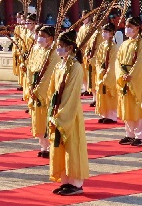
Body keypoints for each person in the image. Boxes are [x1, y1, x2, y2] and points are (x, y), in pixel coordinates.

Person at [47, 31, 89, 195]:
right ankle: (65, 180)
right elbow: (53, 90)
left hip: (69, 113)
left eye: (61, 47)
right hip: (58, 110)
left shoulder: (76, 67)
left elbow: (71, 94)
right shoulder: (60, 65)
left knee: (72, 146)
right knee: (60, 147)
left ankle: (76, 183)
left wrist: (61, 116)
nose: (58, 50)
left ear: (70, 48)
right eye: (58, 47)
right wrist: (52, 110)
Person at [25, 25, 60, 158]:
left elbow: (49, 75)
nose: (39, 38)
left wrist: (39, 89)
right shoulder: (36, 49)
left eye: (43, 36)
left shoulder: (54, 54)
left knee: (47, 117)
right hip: (34, 87)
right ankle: (43, 145)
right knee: (38, 119)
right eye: (39, 35)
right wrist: (30, 86)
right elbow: (30, 68)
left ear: (50, 38)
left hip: (46, 90)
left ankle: (51, 146)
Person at [116, 16, 142, 146]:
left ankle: (140, 135)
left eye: (130, 27)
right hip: (124, 77)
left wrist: (131, 75)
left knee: (137, 107)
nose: (128, 29)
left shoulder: (141, 44)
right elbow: (118, 61)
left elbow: (140, 61)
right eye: (126, 26)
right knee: (127, 107)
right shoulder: (124, 44)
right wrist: (122, 74)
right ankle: (129, 134)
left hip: (136, 79)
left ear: (137, 28)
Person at [94, 23, 119, 124]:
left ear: (112, 33)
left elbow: (113, 63)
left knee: (109, 93)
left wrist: (107, 73)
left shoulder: (114, 47)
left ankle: (112, 116)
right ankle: (105, 114)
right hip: (102, 72)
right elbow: (98, 60)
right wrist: (100, 70)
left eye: (107, 32)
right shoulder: (102, 45)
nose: (104, 34)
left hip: (110, 74)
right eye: (103, 31)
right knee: (102, 94)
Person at [77, 10, 100, 99]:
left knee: (88, 72)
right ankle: (86, 88)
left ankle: (91, 89)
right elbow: (78, 38)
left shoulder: (92, 27)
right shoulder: (82, 28)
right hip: (81, 51)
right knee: (82, 71)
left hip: (88, 51)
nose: (84, 18)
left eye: (85, 16)